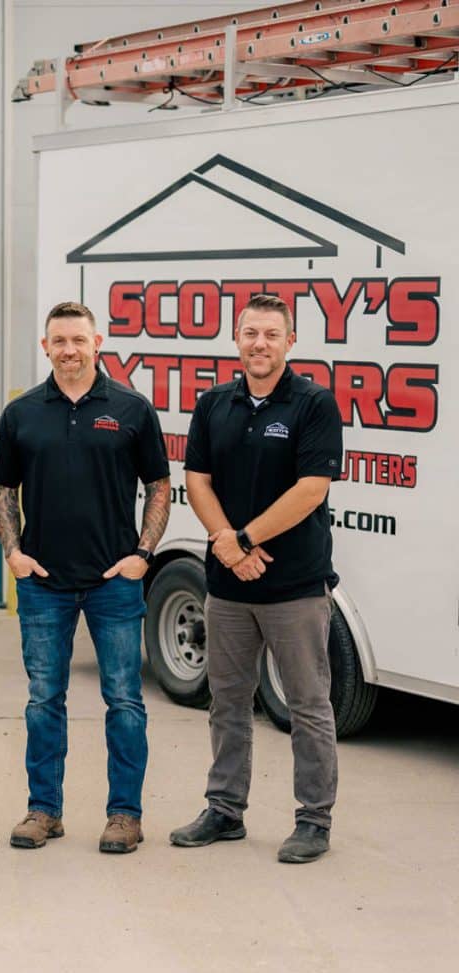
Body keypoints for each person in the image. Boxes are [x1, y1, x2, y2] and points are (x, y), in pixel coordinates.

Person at [0, 300, 170, 854]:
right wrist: (14, 554)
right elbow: (3, 491)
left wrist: (143, 553)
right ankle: (44, 810)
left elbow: (159, 486)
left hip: (114, 581)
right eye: (58, 341)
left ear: (98, 344)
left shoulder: (132, 409)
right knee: (44, 700)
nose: (69, 350)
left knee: (124, 701)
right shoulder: (21, 413)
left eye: (78, 340)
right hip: (43, 583)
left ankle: (124, 815)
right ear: (45, 347)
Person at [169, 293, 343, 864]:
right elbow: (197, 481)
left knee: (307, 705)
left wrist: (244, 540)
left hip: (294, 586)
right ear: (236, 339)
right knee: (228, 700)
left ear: (290, 342)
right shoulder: (214, 403)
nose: (259, 343)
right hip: (228, 586)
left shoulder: (314, 404)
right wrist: (227, 544)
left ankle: (313, 821)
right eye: (250, 333)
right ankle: (225, 810)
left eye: (271, 333)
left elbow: (311, 490)